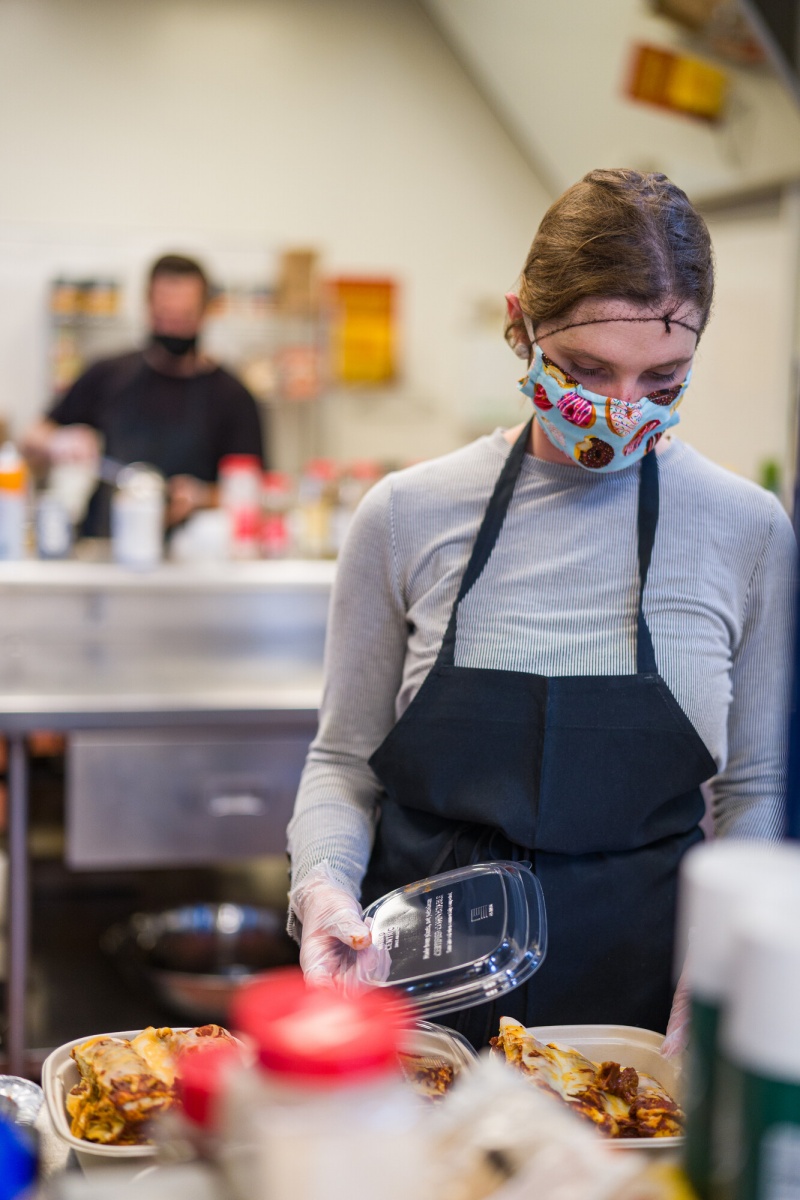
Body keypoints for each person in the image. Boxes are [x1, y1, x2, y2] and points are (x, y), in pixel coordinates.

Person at [286, 169, 796, 1052]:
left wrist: (721, 975)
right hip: (417, 998)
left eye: (665, 378)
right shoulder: (408, 514)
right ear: (521, 325)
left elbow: (757, 790)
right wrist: (323, 886)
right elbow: (343, 760)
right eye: (589, 370)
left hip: (636, 1008)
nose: (624, 409)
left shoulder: (746, 529)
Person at [24, 254, 264, 534]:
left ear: (205, 312)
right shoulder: (107, 374)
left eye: (183, 317)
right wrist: (57, 440)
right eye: (165, 316)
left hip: (194, 559)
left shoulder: (232, 396)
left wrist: (201, 497)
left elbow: (253, 491)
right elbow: (32, 439)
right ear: (148, 306)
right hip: (106, 548)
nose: (173, 327)